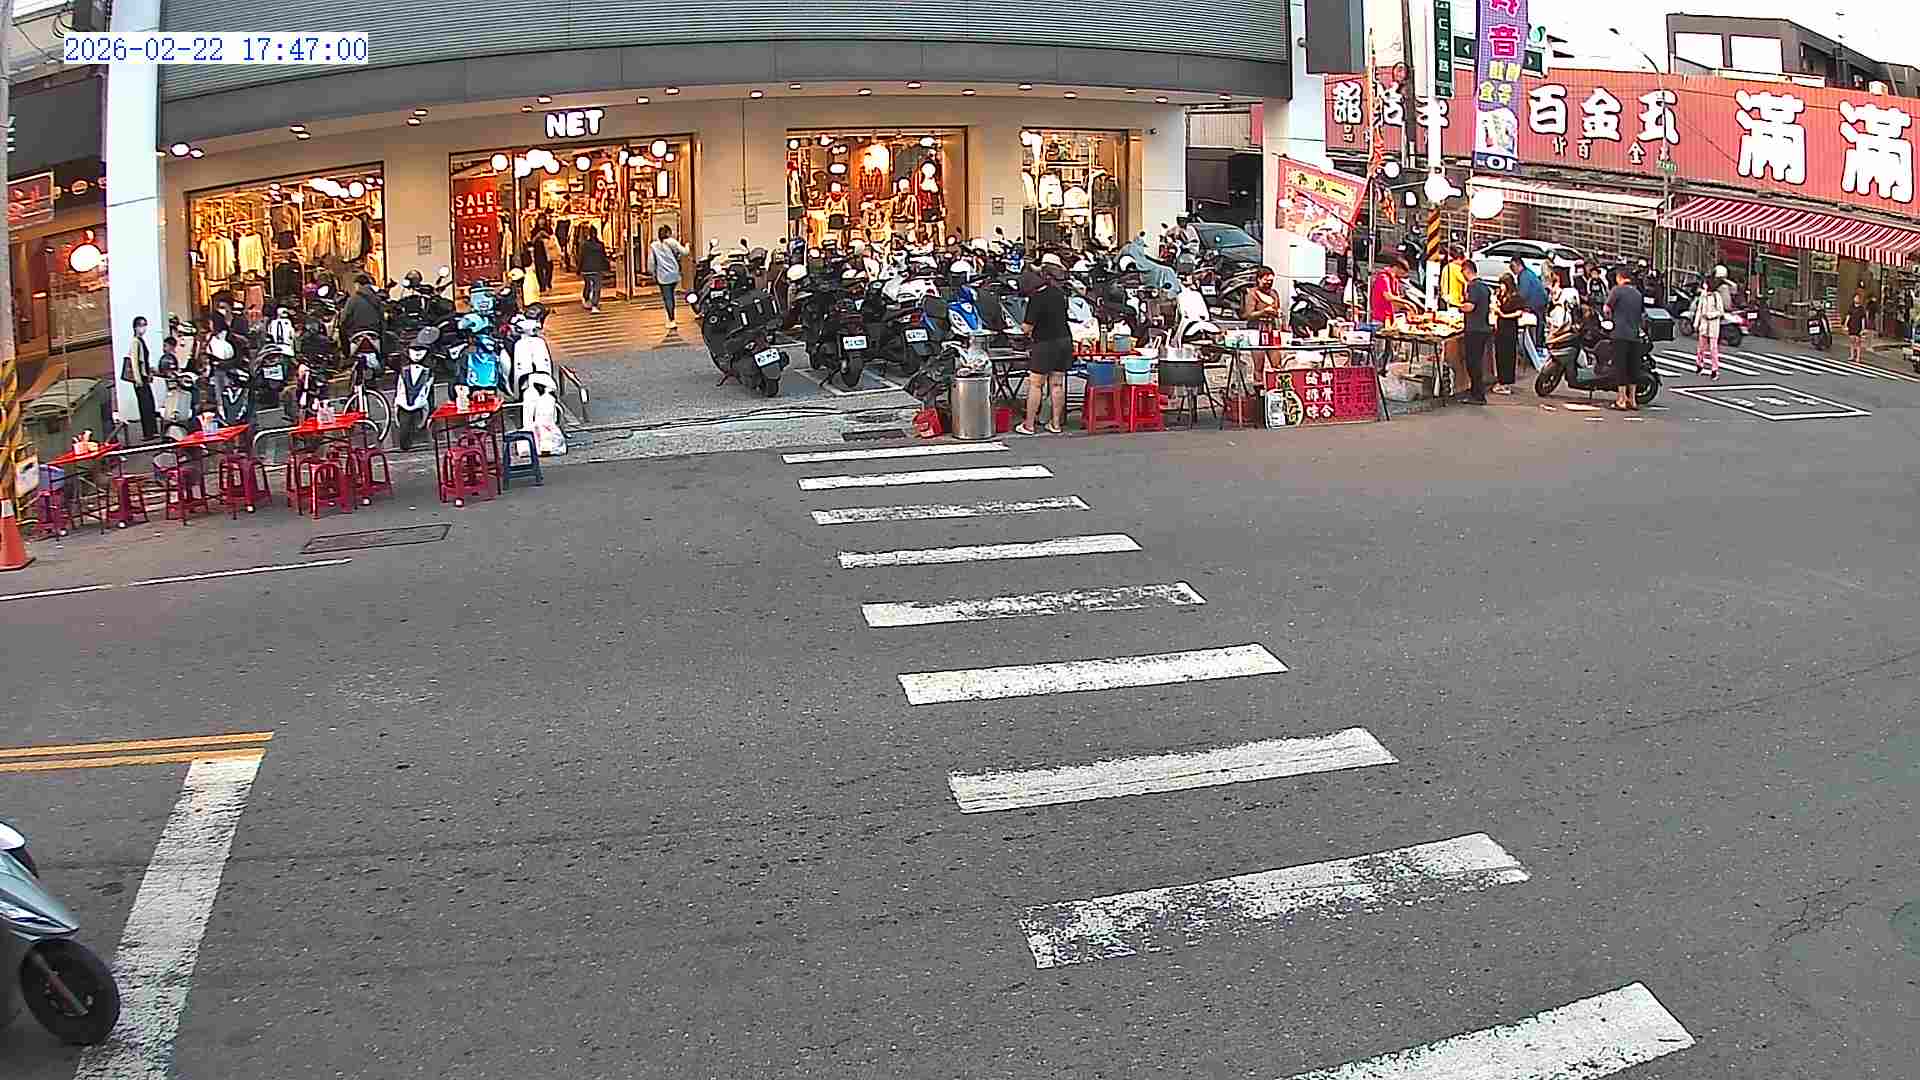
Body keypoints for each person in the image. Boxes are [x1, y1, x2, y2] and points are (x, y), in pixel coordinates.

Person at [1017, 255, 1073, 435]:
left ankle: (1029, 425)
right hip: (1064, 341)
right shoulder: (1061, 295)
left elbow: (1027, 327)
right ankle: (1055, 424)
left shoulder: (1037, 297)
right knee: (1057, 384)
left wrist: (1021, 329)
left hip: (1045, 343)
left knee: (1036, 384)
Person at [1605, 267, 1645, 411]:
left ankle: (1621, 399)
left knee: (1620, 367)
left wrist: (1609, 317)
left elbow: (1607, 308)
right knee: (1633, 367)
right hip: (1634, 335)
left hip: (1619, 334)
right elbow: (1641, 313)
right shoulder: (1637, 293)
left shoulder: (1617, 290)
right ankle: (1632, 400)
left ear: (1620, 278)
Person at [1457, 260, 1493, 404]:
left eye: (1463, 272)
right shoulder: (1485, 287)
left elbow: (1470, 307)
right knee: (1477, 361)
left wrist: (1459, 306)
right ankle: (1475, 392)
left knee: (1473, 363)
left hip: (1474, 329)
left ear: (1467, 270)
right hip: (1483, 328)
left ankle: (1478, 395)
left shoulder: (1473, 286)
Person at [1242, 267, 1283, 382]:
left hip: (1271, 329)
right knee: (1259, 364)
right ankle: (1259, 387)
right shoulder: (1252, 294)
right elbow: (1248, 314)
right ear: (1259, 279)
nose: (1268, 283)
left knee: (1277, 364)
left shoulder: (1274, 293)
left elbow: (1277, 310)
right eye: (1266, 280)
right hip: (1257, 330)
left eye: (1271, 281)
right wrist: (1263, 311)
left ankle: (1278, 386)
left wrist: (1277, 315)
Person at [122, 315, 160, 441]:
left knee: (149, 404)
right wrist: (138, 379)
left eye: (144, 325)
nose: (143, 328)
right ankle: (148, 432)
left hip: (144, 377)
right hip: (140, 379)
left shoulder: (140, 340)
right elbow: (135, 362)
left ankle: (152, 430)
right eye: (140, 325)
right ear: (135, 327)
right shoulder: (135, 342)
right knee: (145, 405)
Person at [394, 349, 435, 452]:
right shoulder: (404, 366)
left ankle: (431, 416)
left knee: (430, 388)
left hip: (426, 351)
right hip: (403, 399)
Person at [1491, 272, 1526, 394]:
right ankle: (1501, 380)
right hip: (1500, 329)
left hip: (1509, 329)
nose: (1501, 287)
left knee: (1508, 355)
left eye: (1503, 284)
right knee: (1499, 355)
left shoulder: (1516, 297)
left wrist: (1503, 315)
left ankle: (1506, 382)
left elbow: (1519, 313)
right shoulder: (1501, 295)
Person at [650, 225, 690, 322]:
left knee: (667, 298)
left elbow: (651, 262)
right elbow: (685, 252)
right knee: (672, 296)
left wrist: (653, 273)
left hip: (662, 276)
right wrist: (687, 245)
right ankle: (672, 314)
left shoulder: (654, 245)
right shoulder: (672, 242)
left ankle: (671, 319)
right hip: (674, 274)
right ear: (668, 233)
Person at [1511, 256, 1549, 349]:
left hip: (1536, 303)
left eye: (1513, 267)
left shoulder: (1524, 276)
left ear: (1518, 265)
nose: (1512, 270)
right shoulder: (1528, 273)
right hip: (1540, 301)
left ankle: (1537, 345)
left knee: (1538, 325)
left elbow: (1523, 294)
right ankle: (1539, 343)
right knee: (1540, 324)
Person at [1691, 276, 1725, 379]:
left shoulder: (1716, 296)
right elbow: (1699, 310)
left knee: (1713, 348)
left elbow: (1721, 311)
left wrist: (1710, 315)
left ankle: (1714, 369)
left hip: (1713, 325)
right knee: (1701, 347)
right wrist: (1696, 323)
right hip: (1704, 324)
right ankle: (1699, 365)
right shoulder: (1703, 295)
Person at [1370, 255, 1418, 324]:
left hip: (1389, 318)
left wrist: (1408, 308)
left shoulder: (1395, 279)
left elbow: (1395, 301)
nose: (1401, 276)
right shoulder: (1383, 277)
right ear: (1396, 268)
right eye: (1402, 273)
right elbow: (1388, 297)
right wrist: (1409, 303)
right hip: (1380, 319)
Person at [340, 274, 385, 347]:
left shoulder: (352, 300)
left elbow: (344, 319)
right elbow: (382, 319)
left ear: (358, 284)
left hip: (355, 334)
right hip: (374, 333)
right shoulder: (377, 299)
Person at [577, 225, 610, 314]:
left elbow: (581, 257)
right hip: (597, 269)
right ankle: (594, 305)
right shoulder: (600, 245)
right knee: (596, 287)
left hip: (586, 269)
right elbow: (603, 257)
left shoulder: (585, 245)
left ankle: (586, 299)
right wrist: (606, 268)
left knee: (588, 285)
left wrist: (579, 269)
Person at [1845, 287, 1870, 364]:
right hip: (1851, 326)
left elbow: (1863, 319)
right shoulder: (1851, 307)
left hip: (1858, 326)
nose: (1856, 299)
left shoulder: (1861, 309)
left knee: (1858, 342)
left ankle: (1858, 357)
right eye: (1855, 298)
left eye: (1858, 298)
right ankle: (1852, 355)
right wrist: (1845, 324)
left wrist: (1863, 329)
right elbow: (1848, 316)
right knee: (1852, 341)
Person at [528, 225, 555, 293]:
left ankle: (548, 282)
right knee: (539, 270)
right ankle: (542, 286)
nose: (541, 221)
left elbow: (552, 239)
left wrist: (546, 235)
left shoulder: (548, 229)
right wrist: (537, 236)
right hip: (538, 253)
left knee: (549, 269)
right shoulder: (534, 230)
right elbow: (532, 242)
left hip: (548, 252)